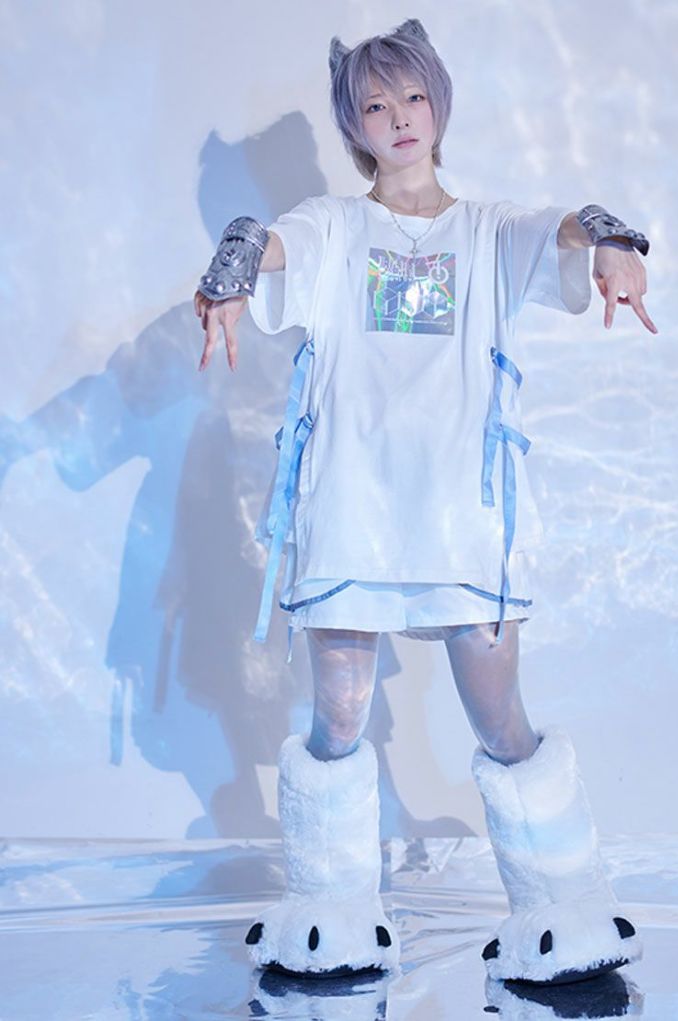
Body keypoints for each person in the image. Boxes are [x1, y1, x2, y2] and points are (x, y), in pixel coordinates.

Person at [195, 17, 654, 987]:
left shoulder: (487, 228)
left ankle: (564, 909)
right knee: (337, 719)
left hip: (461, 518)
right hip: (350, 510)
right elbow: (271, 245)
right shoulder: (333, 225)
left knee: (501, 721)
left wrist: (614, 241)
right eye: (374, 103)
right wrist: (231, 270)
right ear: (354, 124)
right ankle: (331, 911)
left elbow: (565, 225)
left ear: (438, 103)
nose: (398, 116)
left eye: (411, 96)